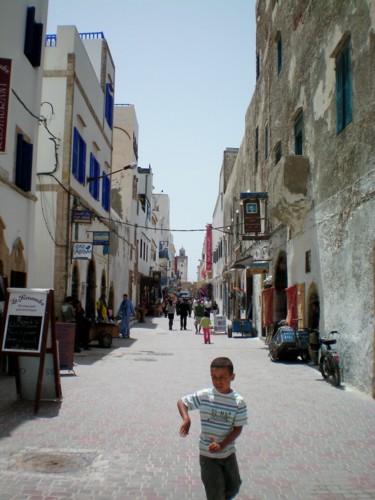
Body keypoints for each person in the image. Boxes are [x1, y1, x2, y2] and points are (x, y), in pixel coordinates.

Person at [177, 357, 248, 500]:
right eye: (214, 377)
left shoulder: (238, 402)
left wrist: (222, 445)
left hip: (228, 453)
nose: (218, 381)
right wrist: (186, 418)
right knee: (215, 493)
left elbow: (237, 429)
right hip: (208, 455)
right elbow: (182, 402)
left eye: (222, 377)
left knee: (234, 485)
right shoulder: (205, 396)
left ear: (232, 377)